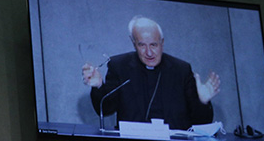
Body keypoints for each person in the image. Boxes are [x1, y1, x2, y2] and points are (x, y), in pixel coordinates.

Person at [82, 16, 220, 130]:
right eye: (142, 45)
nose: (149, 53)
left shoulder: (181, 70)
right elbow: (106, 109)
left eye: (154, 45)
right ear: (133, 43)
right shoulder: (119, 66)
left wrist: (202, 102)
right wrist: (99, 86)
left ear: (162, 42)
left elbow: (201, 122)